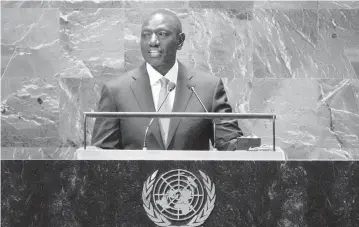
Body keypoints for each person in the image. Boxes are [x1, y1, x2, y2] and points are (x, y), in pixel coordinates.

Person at [91, 9, 243, 150]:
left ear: (180, 41)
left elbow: (230, 143)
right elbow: (102, 155)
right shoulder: (116, 92)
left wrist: (249, 147)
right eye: (146, 34)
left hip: (191, 178)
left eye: (162, 34)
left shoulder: (208, 88)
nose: (153, 41)